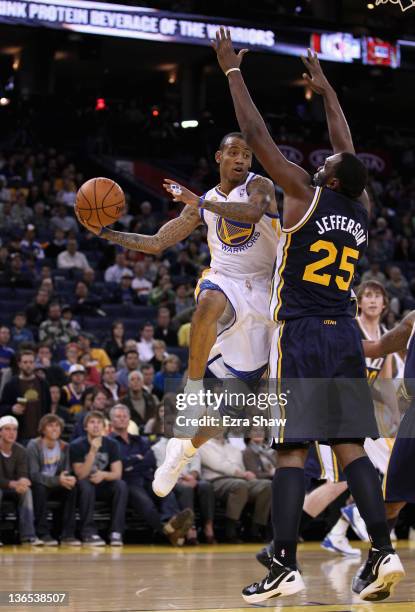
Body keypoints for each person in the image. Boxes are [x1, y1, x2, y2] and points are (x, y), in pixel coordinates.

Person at [210, 31, 403, 602]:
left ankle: (285, 564)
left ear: (332, 178)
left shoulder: (301, 192)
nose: (320, 161)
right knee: (349, 448)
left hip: (299, 336)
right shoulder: (359, 207)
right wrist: (327, 94)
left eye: (327, 164)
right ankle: (384, 552)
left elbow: (256, 136)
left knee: (290, 452)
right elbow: (346, 144)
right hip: (342, 333)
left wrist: (231, 73)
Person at [76, 123, 279, 499]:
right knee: (208, 300)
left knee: (233, 410)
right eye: (233, 152)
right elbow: (156, 243)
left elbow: (253, 213)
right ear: (219, 158)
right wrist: (107, 234)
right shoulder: (201, 203)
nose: (240, 159)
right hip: (227, 278)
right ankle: (195, 386)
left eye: (246, 154)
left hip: (267, 291)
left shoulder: (259, 186)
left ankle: (180, 451)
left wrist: (198, 202)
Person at [109, 404, 194, 546]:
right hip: (129, 482)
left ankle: (172, 521)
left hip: (147, 477)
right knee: (146, 504)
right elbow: (120, 465)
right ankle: (167, 531)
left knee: (166, 491)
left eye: (125, 416)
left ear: (129, 419)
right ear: (111, 421)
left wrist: (132, 461)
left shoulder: (140, 440)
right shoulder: (109, 442)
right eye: (118, 416)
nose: (122, 419)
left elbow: (150, 460)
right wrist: (137, 459)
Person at [199, 434, 271, 542]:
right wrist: (242, 474)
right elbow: (219, 465)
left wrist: (244, 475)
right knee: (239, 485)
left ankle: (255, 529)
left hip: (240, 479)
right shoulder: (203, 445)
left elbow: (240, 466)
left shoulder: (234, 448)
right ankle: (230, 530)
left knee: (267, 485)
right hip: (216, 480)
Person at [70, 411, 128, 546]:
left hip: (103, 482)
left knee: (121, 485)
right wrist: (92, 451)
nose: (96, 426)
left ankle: (116, 532)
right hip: (84, 485)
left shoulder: (112, 444)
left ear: (104, 426)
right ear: (86, 427)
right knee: (85, 484)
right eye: (92, 422)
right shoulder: (76, 445)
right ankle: (88, 532)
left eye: (99, 423)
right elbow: (81, 474)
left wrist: (103, 475)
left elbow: (117, 473)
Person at [27, 414, 79, 546]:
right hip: (40, 484)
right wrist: (58, 480)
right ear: (43, 430)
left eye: (57, 426)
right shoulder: (34, 445)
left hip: (57, 483)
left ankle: (67, 535)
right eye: (50, 426)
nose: (54, 429)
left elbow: (66, 470)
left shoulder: (64, 446)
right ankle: (43, 533)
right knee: (39, 488)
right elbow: (34, 475)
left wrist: (69, 479)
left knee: (72, 488)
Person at [0, 416, 43, 546]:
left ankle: (28, 536)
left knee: (27, 491)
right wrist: (12, 483)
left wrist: (23, 481)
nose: (11, 433)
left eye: (14, 430)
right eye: (7, 429)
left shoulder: (21, 450)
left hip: (14, 487)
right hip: (4, 486)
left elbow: (23, 473)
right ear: (0, 432)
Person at [0, 350, 51, 442]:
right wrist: (11, 409)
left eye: (31, 362)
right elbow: (2, 407)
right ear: (19, 364)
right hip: (19, 436)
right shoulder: (11, 385)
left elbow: (48, 408)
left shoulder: (43, 384)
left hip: (40, 436)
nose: (28, 365)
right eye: (25, 362)